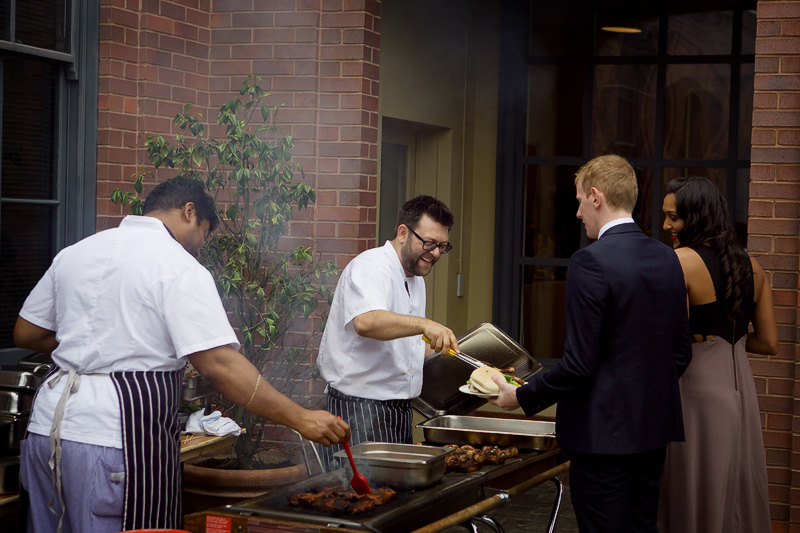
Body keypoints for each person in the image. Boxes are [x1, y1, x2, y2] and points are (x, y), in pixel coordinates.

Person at [13, 177, 350, 533]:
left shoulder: (76, 252)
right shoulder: (178, 265)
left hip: (45, 434)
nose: (201, 246)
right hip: (111, 441)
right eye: (204, 233)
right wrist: (300, 418)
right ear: (189, 212)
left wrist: (94, 347)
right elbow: (220, 365)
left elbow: (27, 332)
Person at [490, 154, 692, 532]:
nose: (579, 213)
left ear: (596, 197)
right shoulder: (668, 258)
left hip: (603, 442)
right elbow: (682, 351)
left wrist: (521, 396)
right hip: (652, 433)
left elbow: (579, 364)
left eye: (580, 200)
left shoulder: (590, 261)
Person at [658, 177, 778, 532]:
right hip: (741, 393)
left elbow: (669, 339)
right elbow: (769, 343)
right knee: (736, 491)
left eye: (673, 218)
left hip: (693, 390)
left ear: (696, 217)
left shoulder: (679, 261)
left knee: (690, 488)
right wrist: (732, 343)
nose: (666, 226)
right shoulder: (752, 266)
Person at [316, 195, 459, 470]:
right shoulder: (372, 267)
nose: (436, 253)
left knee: (394, 500)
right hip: (358, 410)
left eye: (442, 246)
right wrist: (426, 325)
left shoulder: (415, 277)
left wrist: (462, 362)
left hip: (397, 411)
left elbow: (411, 344)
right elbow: (367, 322)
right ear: (403, 232)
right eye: (429, 243)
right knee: (361, 502)